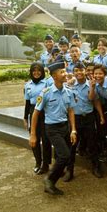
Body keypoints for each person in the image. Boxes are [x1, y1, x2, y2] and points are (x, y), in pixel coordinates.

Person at [30, 61, 77, 195]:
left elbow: (71, 111)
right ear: (54, 76)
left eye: (65, 71)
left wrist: (73, 129)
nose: (65, 74)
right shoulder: (46, 92)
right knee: (64, 155)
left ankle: (52, 179)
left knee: (66, 156)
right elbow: (35, 113)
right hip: (52, 128)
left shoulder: (68, 92)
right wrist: (33, 134)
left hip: (65, 127)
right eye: (61, 72)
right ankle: (49, 180)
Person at [63, 62, 103, 181]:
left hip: (88, 117)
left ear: (85, 71)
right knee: (72, 145)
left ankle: (96, 167)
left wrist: (101, 116)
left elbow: (93, 99)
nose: (79, 73)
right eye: (76, 71)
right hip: (75, 119)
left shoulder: (90, 84)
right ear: (74, 72)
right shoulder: (69, 85)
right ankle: (70, 171)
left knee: (92, 143)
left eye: (81, 70)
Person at [23, 62, 51, 174]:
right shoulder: (28, 85)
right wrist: (25, 118)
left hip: (45, 112)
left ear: (42, 71)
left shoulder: (47, 83)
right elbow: (27, 102)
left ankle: (46, 164)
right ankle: (38, 162)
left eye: (38, 70)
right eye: (34, 71)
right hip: (33, 112)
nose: (36, 73)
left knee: (46, 140)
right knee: (34, 139)